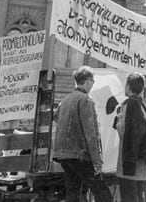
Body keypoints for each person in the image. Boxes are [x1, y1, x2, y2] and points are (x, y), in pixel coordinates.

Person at [52, 66, 112, 202]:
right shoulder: (85, 100)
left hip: (63, 155)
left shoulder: (65, 100)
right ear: (88, 81)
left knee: (73, 195)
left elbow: (56, 117)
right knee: (104, 195)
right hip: (80, 156)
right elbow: (91, 133)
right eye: (93, 81)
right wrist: (97, 162)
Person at [115, 72, 146, 202]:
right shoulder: (144, 106)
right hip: (142, 164)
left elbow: (125, 132)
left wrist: (118, 123)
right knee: (140, 196)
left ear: (128, 86)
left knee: (129, 197)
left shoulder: (128, 104)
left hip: (130, 165)